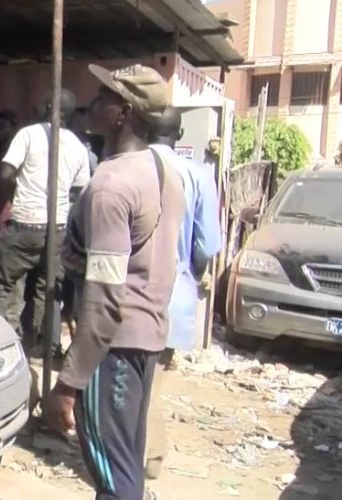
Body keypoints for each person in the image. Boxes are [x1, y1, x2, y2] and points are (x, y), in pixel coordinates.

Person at [45, 64, 185, 500]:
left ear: (123, 113)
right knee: (127, 465)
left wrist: (69, 383)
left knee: (113, 477)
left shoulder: (111, 185)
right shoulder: (163, 173)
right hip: (145, 339)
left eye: (103, 98)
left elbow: (105, 296)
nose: (92, 103)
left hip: (113, 350)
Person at [0, 90, 91, 359]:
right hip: (57, 229)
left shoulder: (29, 134)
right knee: (48, 290)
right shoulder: (78, 145)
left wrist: (16, 194)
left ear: (50, 106)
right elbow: (80, 189)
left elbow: (5, 172)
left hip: (26, 223)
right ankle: (46, 348)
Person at [144, 106, 222, 479]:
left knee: (128, 377)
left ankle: (139, 453)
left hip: (128, 290)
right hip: (174, 291)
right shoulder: (198, 175)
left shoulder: (127, 166)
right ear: (178, 134)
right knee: (153, 376)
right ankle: (149, 456)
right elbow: (206, 245)